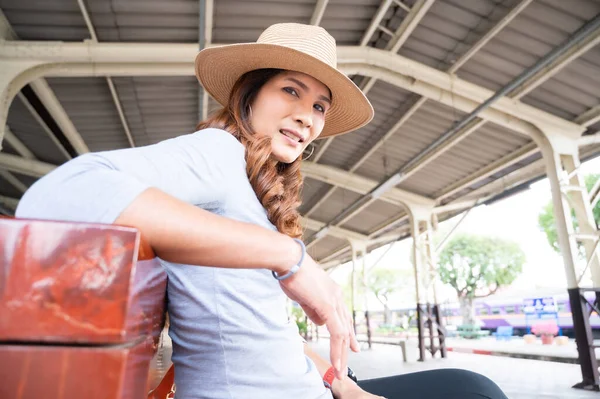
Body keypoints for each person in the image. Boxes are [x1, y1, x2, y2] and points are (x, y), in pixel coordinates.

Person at [15, 23, 509, 399]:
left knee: (471, 386)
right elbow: (59, 195)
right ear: (249, 95)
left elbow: (266, 329)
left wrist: (342, 383)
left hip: (311, 387)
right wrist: (289, 257)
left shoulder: (258, 187)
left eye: (319, 105)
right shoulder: (217, 151)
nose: (306, 115)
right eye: (290, 90)